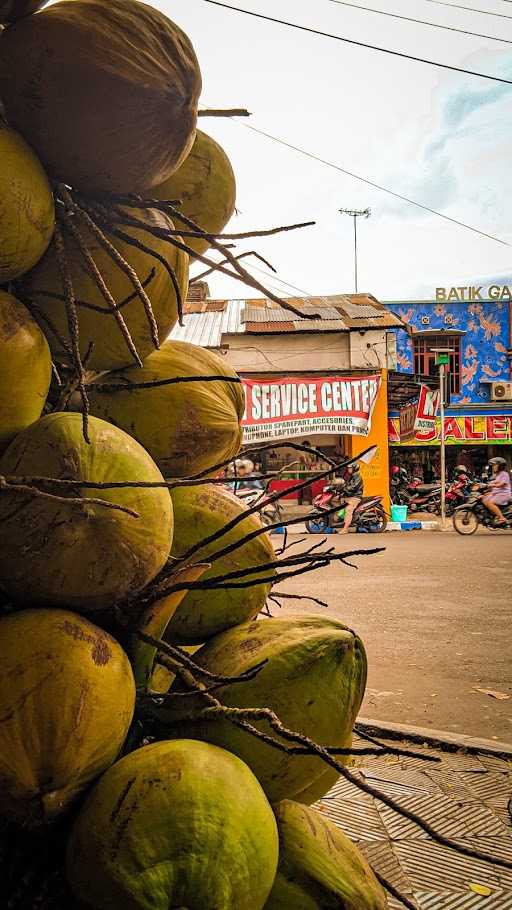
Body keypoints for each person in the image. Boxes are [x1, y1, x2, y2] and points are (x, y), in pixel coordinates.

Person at [482, 456, 511, 526]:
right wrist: (485, 485)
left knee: (490, 503)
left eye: (495, 465)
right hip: (497, 493)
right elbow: (493, 482)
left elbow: (502, 484)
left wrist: (492, 485)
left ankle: (502, 518)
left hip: (504, 494)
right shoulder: (497, 475)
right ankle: (492, 515)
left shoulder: (504, 474)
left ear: (500, 466)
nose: (493, 467)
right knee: (484, 499)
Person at [339, 463, 364, 534]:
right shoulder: (352, 476)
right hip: (350, 496)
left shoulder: (357, 476)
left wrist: (345, 489)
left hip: (355, 497)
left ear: (354, 468)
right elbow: (346, 484)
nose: (348, 469)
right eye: (348, 468)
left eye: (350, 468)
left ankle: (345, 529)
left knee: (348, 510)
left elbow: (354, 487)